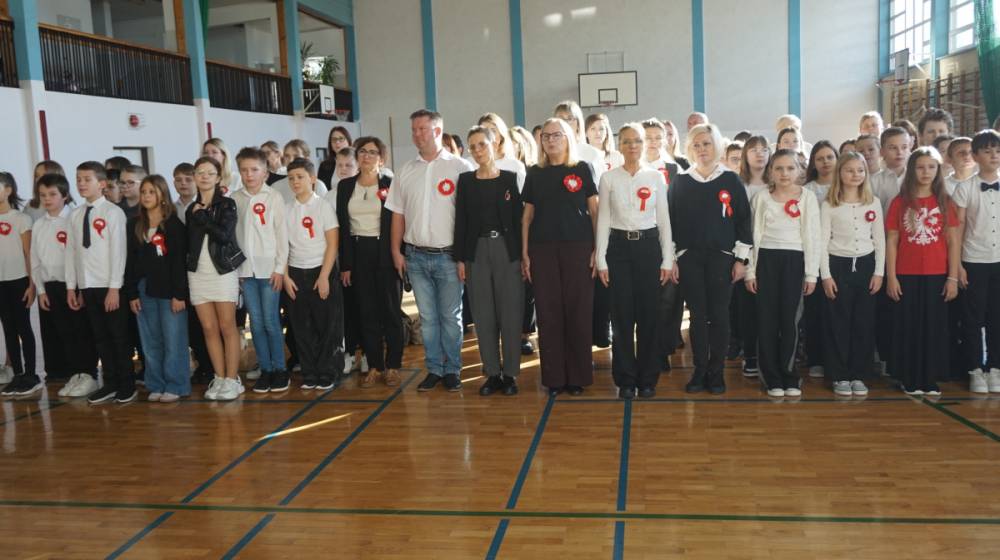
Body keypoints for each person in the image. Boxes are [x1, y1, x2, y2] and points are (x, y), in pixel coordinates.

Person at [387, 109, 474, 392]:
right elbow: (397, 214)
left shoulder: (461, 168)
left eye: (422, 129)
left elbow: (469, 218)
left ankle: (453, 370)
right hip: (415, 255)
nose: (416, 134)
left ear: (437, 131)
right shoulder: (405, 170)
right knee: (427, 319)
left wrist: (464, 257)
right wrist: (396, 251)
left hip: (449, 256)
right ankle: (434, 368)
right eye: (413, 129)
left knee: (451, 318)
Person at [669, 123, 752, 394]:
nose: (702, 149)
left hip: (722, 259)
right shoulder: (681, 180)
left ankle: (716, 373)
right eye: (696, 145)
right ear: (689, 149)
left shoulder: (731, 180)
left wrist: (741, 260)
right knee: (697, 316)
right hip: (689, 259)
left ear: (716, 145)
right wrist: (672, 258)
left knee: (719, 315)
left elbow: (743, 221)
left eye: (706, 143)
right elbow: (671, 222)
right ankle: (699, 371)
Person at [595, 122, 673, 399]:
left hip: (649, 248)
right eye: (627, 141)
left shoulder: (655, 177)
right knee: (622, 317)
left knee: (649, 316)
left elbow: (664, 220)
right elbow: (603, 219)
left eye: (637, 141)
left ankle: (648, 378)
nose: (632, 146)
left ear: (645, 144)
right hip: (618, 250)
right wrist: (601, 259)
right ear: (619, 145)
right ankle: (626, 379)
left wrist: (667, 259)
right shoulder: (609, 178)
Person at [521, 118, 598, 395]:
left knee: (578, 312)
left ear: (568, 138)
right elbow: (527, 217)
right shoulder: (535, 173)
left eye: (557, 135)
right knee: (548, 313)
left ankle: (577, 377)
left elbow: (594, 211)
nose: (551, 140)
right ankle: (554, 378)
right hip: (542, 251)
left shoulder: (582, 168)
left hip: (578, 248)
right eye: (546, 136)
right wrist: (525, 253)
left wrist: (597, 249)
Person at [745, 149, 820, 398]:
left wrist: (811, 274)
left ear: (799, 170)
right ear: (771, 171)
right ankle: (771, 377)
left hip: (795, 262)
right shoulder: (761, 198)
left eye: (790, 168)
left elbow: (813, 236)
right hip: (766, 261)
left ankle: (789, 374)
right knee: (767, 321)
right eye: (778, 168)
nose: (784, 173)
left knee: (790, 321)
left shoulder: (807, 197)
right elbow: (752, 236)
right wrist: (750, 271)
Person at [454, 126, 524, 396]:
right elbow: (461, 221)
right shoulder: (466, 181)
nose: (478, 150)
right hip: (477, 252)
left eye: (482, 144)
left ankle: (511, 374)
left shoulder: (510, 178)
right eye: (472, 146)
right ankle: (492, 373)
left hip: (507, 250)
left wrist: (522, 255)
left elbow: (519, 220)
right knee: (483, 314)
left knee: (510, 313)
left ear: (494, 144)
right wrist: (461, 259)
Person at [885, 147, 960, 395]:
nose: (926, 172)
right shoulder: (900, 202)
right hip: (906, 273)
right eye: (920, 167)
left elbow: (953, 241)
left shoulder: (945, 202)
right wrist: (891, 276)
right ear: (911, 170)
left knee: (933, 327)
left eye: (931, 167)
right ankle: (909, 377)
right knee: (908, 326)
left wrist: (952, 277)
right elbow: (892, 241)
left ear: (938, 170)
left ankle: (929, 378)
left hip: (937, 274)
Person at [337, 137, 404, 388]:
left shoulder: (390, 185)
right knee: (366, 312)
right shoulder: (345, 186)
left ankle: (393, 365)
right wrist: (346, 264)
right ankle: (375, 365)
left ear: (382, 159)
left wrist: (398, 254)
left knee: (390, 311)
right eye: (362, 151)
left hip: (385, 250)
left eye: (373, 152)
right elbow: (343, 228)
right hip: (357, 252)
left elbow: (399, 220)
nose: (366, 156)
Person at [65, 162, 134, 404]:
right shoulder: (75, 215)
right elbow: (72, 253)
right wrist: (72, 287)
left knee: (118, 336)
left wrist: (114, 287)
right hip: (87, 285)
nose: (81, 183)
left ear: (102, 184)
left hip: (109, 285)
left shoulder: (113, 212)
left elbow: (119, 252)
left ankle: (127, 384)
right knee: (100, 337)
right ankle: (110, 383)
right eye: (78, 179)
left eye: (87, 179)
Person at [820, 152, 884, 397]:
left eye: (860, 170)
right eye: (849, 170)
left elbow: (879, 240)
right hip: (838, 266)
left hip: (866, 266)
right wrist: (826, 276)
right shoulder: (829, 205)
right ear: (840, 173)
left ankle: (859, 374)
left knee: (863, 323)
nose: (855, 175)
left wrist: (878, 272)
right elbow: (822, 242)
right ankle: (839, 375)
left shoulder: (873, 202)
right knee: (838, 323)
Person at [30, 173, 98, 396]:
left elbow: (80, 256)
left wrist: (79, 287)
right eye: (42, 195)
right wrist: (41, 290)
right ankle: (74, 375)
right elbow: (35, 260)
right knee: (63, 333)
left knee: (80, 331)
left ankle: (88, 374)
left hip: (74, 285)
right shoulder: (39, 225)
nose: (47, 199)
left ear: (65, 195)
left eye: (52, 194)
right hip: (50, 286)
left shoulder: (74, 219)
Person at [124, 175, 190, 402]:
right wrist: (132, 293)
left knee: (174, 339)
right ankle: (156, 383)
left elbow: (179, 263)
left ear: (162, 194)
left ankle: (176, 385)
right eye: (143, 192)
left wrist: (179, 294)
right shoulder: (134, 225)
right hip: (144, 289)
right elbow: (130, 262)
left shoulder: (173, 225)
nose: (146, 196)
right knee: (151, 341)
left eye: (151, 192)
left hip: (170, 290)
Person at [186, 157, 246, 401]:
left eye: (209, 173)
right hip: (197, 274)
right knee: (208, 328)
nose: (204, 176)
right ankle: (219, 377)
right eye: (199, 172)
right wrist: (198, 214)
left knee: (227, 326)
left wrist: (203, 217)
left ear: (218, 177)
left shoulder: (227, 204)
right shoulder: (191, 208)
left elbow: (224, 235)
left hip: (221, 272)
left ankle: (233, 379)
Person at [232, 147, 289, 394]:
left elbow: (281, 235)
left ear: (265, 172)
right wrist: (236, 272)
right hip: (246, 272)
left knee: (270, 321)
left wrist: (279, 269)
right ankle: (265, 369)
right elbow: (233, 236)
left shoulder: (274, 197)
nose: (249, 175)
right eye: (244, 170)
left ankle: (280, 369)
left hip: (269, 271)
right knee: (255, 323)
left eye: (254, 170)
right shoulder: (235, 198)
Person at [285, 158, 343, 391]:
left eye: (300, 177)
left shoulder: (323, 206)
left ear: (312, 179)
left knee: (327, 326)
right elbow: (282, 247)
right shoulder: (286, 209)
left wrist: (324, 276)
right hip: (295, 272)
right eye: (291, 178)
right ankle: (310, 372)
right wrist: (286, 276)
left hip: (321, 269)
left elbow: (332, 243)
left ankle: (329, 371)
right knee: (301, 327)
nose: (295, 182)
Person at [955, 129, 1000, 393]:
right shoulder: (965, 188)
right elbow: (958, 228)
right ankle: (974, 368)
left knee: (997, 317)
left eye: (998, 150)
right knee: (973, 318)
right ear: (975, 156)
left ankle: (995, 367)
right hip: (974, 260)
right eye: (987, 150)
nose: (994, 155)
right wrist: (957, 265)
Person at [801, 141, 839, 378]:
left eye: (829, 157)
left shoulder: (846, 186)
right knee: (815, 310)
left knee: (836, 310)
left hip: (840, 254)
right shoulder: (807, 190)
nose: (825, 162)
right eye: (820, 158)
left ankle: (836, 358)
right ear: (813, 163)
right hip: (813, 255)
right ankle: (816, 358)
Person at [734, 136, 771, 377]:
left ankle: (769, 355)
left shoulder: (776, 183)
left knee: (769, 308)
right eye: (753, 150)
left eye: (764, 150)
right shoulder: (738, 184)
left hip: (771, 251)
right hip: (745, 252)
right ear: (745, 155)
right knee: (747, 307)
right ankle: (750, 355)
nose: (759, 154)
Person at [0, 172, 38, 396]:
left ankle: (31, 374)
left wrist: (32, 285)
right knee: (8, 328)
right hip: (1, 282)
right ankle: (17, 373)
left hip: (19, 280)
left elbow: (28, 253)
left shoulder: (21, 219)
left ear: (8, 190)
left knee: (23, 326)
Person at [553, 100, 604, 182]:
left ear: (578, 124)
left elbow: (599, 185)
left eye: (570, 119)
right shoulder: (549, 153)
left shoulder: (593, 154)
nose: (565, 123)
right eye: (560, 119)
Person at [318, 126, 354, 190]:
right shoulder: (324, 166)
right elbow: (321, 190)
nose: (337, 142)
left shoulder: (358, 161)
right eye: (334, 139)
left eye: (341, 139)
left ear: (348, 141)